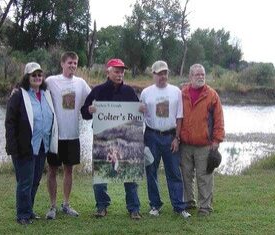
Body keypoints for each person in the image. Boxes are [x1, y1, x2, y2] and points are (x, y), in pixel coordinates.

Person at [81, 58, 141, 220]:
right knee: (101, 172)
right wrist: (89, 109)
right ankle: (101, 207)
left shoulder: (129, 91)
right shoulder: (98, 90)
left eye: (122, 71)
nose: (120, 74)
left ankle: (133, 208)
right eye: (116, 70)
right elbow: (84, 113)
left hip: (124, 138)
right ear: (108, 72)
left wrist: (141, 109)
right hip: (103, 138)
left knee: (129, 171)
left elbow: (137, 114)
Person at [5, 62, 58, 225]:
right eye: (33, 75)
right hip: (24, 147)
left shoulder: (47, 94)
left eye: (40, 75)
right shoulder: (18, 95)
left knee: (35, 181)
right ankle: (22, 215)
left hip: (42, 146)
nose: (37, 78)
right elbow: (10, 122)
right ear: (27, 77)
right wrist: (12, 146)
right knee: (25, 182)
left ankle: (29, 210)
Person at [139, 60, 191, 219]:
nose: (163, 76)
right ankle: (155, 205)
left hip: (170, 136)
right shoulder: (146, 93)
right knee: (151, 171)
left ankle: (179, 206)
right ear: (153, 74)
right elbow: (138, 117)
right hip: (151, 136)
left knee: (174, 172)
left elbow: (179, 117)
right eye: (159, 73)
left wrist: (177, 138)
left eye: (165, 73)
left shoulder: (176, 91)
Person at [45, 51, 91, 219]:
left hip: (73, 135)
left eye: (75, 63)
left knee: (69, 171)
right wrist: (17, 91)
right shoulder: (51, 81)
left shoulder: (81, 83)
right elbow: (33, 87)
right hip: (55, 136)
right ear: (62, 64)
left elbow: (93, 99)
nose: (72, 66)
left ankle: (66, 204)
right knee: (52, 170)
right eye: (70, 62)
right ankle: (52, 206)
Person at [180, 63, 225, 216]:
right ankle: (189, 201)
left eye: (202, 74)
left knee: (204, 176)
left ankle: (205, 206)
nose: (200, 77)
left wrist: (217, 141)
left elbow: (219, 120)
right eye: (197, 74)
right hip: (185, 144)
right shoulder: (182, 93)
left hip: (205, 144)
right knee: (186, 174)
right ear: (190, 76)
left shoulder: (212, 95)